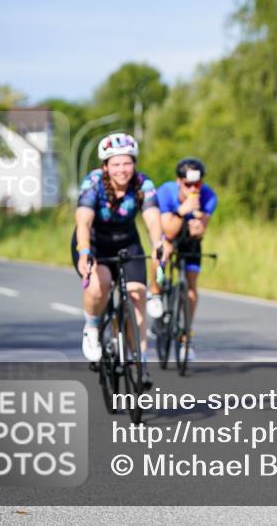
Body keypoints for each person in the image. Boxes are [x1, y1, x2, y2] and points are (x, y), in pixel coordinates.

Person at [72, 132, 169, 387]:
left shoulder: (142, 184)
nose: (122, 170)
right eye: (115, 164)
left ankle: (139, 360)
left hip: (127, 242)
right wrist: (84, 251)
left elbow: (152, 218)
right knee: (100, 285)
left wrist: (158, 244)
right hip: (94, 243)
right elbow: (83, 221)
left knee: (137, 295)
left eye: (127, 163)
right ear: (105, 166)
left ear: (134, 163)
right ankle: (92, 328)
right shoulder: (93, 183)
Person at [147, 157, 218, 360]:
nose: (194, 188)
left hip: (189, 239)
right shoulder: (166, 192)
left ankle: (186, 337)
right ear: (179, 182)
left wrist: (198, 226)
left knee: (191, 287)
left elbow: (201, 230)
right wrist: (182, 211)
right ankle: (155, 292)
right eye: (188, 184)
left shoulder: (208, 196)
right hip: (168, 231)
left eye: (198, 184)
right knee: (161, 252)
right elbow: (168, 230)